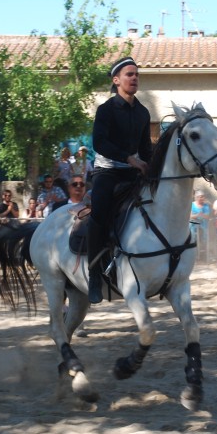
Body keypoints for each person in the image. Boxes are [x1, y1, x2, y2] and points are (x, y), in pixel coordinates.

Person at [87, 56, 152, 304]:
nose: (134, 78)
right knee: (100, 212)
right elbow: (99, 143)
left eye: (136, 74)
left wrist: (151, 165)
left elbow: (145, 149)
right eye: (129, 74)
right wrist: (129, 159)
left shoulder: (143, 112)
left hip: (133, 173)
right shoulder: (106, 110)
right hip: (108, 172)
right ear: (116, 81)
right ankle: (94, 273)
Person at [190, 191, 211, 263]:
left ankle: (203, 258)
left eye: (203, 196)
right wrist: (198, 215)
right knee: (194, 241)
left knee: (203, 242)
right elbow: (190, 216)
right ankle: (194, 258)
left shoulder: (206, 206)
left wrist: (198, 215)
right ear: (196, 197)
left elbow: (207, 216)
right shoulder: (192, 205)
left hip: (203, 227)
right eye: (200, 196)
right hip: (193, 227)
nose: (202, 198)